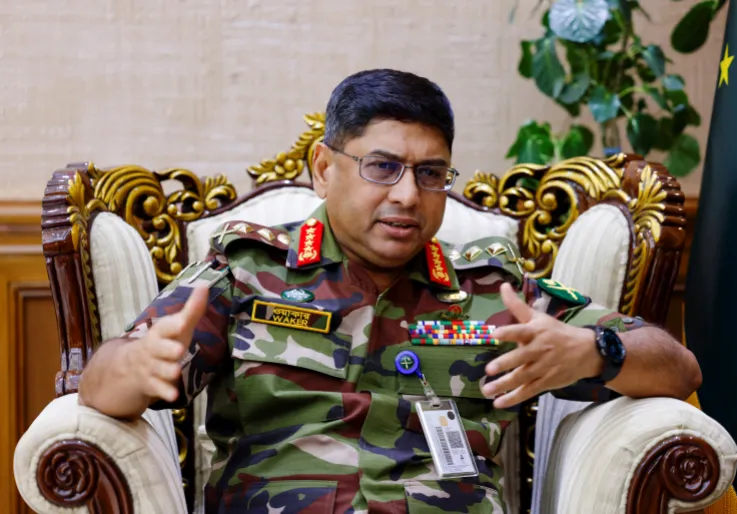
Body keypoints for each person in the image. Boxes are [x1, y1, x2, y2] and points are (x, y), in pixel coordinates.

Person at [78, 69, 702, 513]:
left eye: (430, 173)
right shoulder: (246, 270)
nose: (407, 194)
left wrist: (595, 352)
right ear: (325, 169)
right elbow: (100, 385)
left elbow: (678, 369)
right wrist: (137, 363)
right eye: (383, 167)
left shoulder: (490, 288)